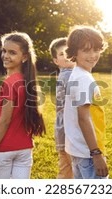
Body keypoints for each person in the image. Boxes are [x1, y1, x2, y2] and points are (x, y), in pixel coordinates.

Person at [0, 32, 46, 179]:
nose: (5, 55)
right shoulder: (28, 82)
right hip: (24, 148)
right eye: (4, 51)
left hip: (4, 149)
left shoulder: (9, 83)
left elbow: (4, 121)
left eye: (12, 52)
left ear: (25, 57)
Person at [63, 26, 109, 179]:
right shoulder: (83, 78)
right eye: (86, 50)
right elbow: (83, 118)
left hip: (78, 151)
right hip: (88, 153)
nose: (93, 55)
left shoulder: (77, 73)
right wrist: (96, 153)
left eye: (96, 50)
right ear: (74, 52)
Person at [49, 37, 75, 179]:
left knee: (65, 170)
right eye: (61, 54)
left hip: (62, 130)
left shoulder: (63, 75)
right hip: (71, 131)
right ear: (55, 61)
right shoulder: (70, 75)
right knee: (79, 170)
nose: (66, 55)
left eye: (68, 51)